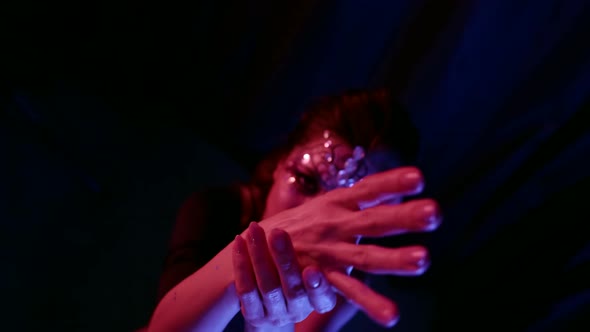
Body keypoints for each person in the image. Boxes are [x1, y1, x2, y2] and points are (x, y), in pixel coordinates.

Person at [147, 89, 441, 331]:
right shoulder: (216, 208)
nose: (317, 219)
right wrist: (241, 263)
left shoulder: (346, 279)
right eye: (306, 181)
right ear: (281, 161)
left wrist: (272, 327)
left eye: (351, 208)